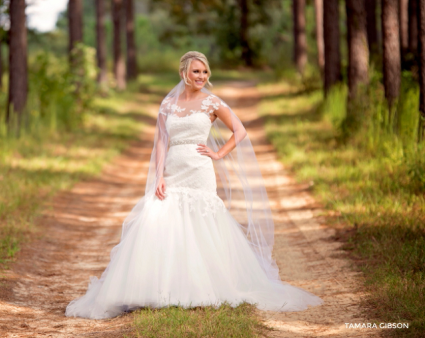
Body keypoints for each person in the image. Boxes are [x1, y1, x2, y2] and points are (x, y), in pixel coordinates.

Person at [65, 51, 323, 319]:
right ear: (183, 74)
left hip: (200, 170)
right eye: (196, 71)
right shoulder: (168, 104)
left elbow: (240, 130)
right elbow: (162, 141)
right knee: (164, 221)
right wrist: (159, 176)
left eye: (205, 72)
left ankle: (203, 287)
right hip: (174, 168)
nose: (201, 76)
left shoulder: (211, 102)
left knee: (200, 224)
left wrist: (219, 154)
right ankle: (161, 287)